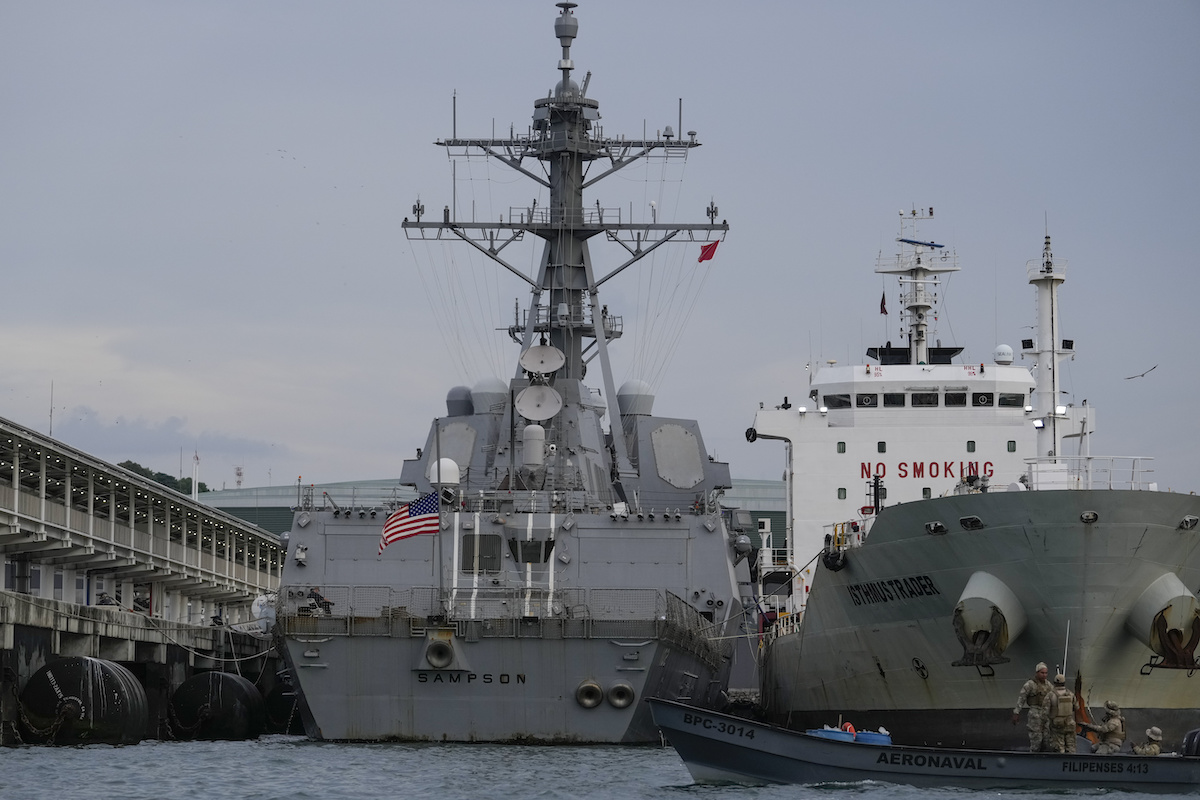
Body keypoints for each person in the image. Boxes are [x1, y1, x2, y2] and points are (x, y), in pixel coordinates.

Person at [1012, 661, 1052, 751]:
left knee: (1047, 739)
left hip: (1046, 714)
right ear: (1037, 673)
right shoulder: (1030, 684)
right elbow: (1021, 698)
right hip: (1035, 713)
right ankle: (1033, 757)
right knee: (1036, 740)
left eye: (1046, 673)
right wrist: (1016, 712)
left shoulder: (1048, 685)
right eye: (1042, 673)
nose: (1044, 675)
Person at [1042, 673, 1082, 753]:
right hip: (1070, 724)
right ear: (1064, 683)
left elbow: (1044, 712)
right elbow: (1077, 707)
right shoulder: (1070, 694)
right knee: (1071, 748)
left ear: (1054, 683)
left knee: (1059, 748)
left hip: (1057, 725)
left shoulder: (1050, 695)